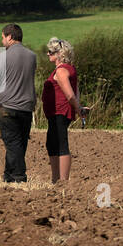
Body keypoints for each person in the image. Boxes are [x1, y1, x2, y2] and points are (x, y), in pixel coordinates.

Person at [0, 23, 37, 183]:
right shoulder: (32, 56)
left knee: (13, 143)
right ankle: (8, 176)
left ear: (10, 36)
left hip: (8, 106)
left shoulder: (3, 56)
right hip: (27, 106)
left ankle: (19, 177)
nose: (2, 41)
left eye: (3, 37)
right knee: (19, 143)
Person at [42, 36, 83, 183]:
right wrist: (79, 107)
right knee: (52, 143)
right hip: (55, 112)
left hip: (60, 111)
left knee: (60, 143)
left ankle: (62, 181)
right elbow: (76, 91)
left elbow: (70, 94)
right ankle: (56, 179)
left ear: (60, 54)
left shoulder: (61, 71)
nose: (48, 54)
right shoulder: (68, 69)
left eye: (51, 52)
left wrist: (78, 109)